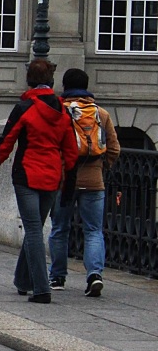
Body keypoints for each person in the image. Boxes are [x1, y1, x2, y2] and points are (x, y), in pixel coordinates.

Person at [0, 59, 79, 304]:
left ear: (29, 80)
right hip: (52, 177)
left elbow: (6, 143)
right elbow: (70, 152)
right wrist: (69, 186)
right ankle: (23, 280)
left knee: (33, 230)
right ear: (51, 81)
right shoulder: (63, 111)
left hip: (26, 174)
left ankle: (41, 288)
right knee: (35, 228)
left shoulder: (24, 107)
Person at [48, 68, 122, 297]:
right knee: (93, 230)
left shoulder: (59, 111)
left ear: (65, 86)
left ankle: (58, 277)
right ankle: (94, 276)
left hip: (64, 180)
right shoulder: (101, 114)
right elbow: (114, 149)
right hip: (94, 180)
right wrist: (101, 167)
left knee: (60, 228)